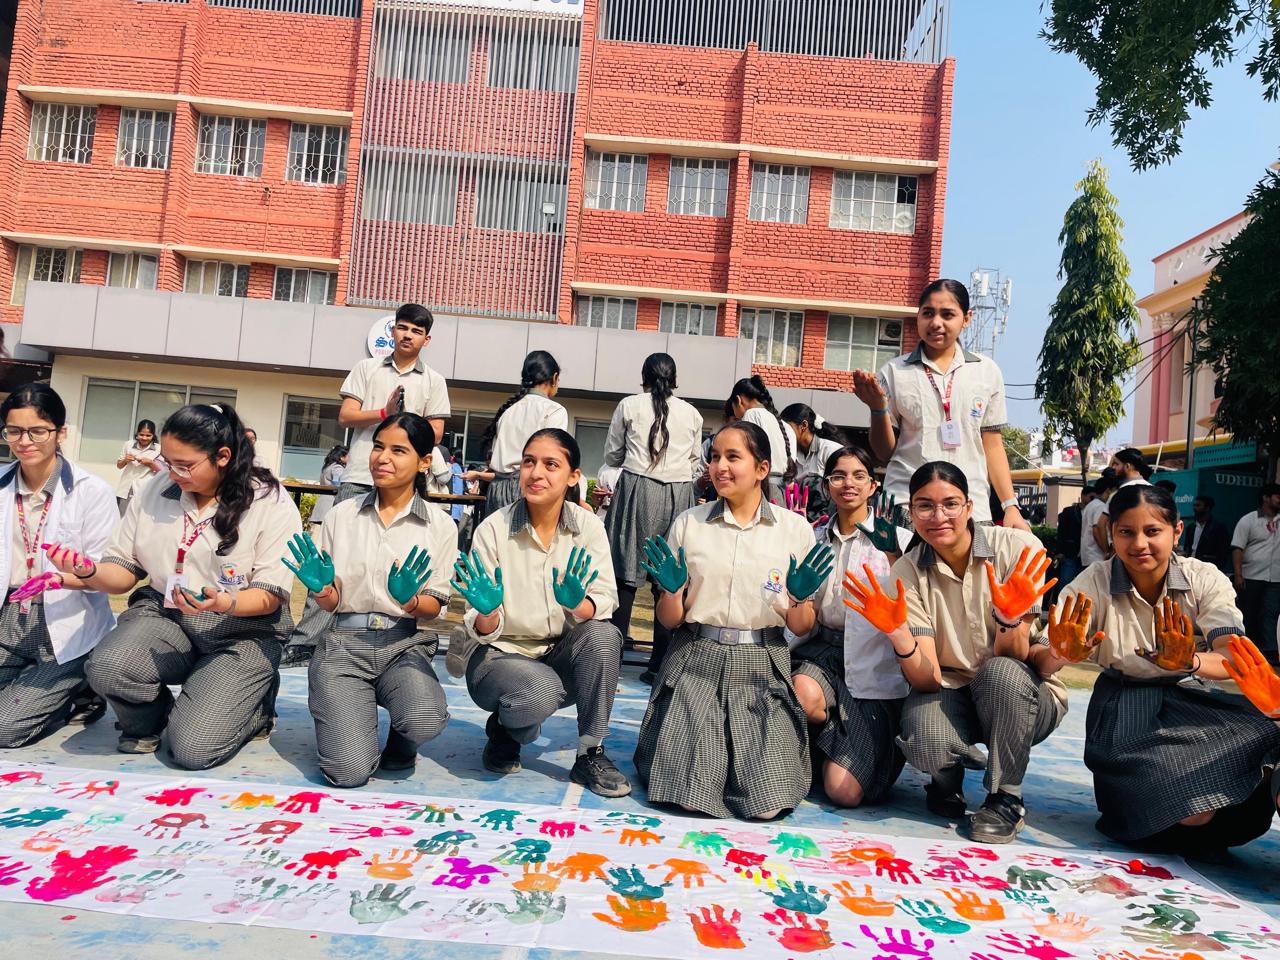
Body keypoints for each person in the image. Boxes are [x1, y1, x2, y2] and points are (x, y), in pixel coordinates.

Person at [49, 403, 302, 767]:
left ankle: (253, 707)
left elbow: (269, 596)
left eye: (185, 465)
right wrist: (87, 571)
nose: (173, 473)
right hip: (167, 615)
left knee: (194, 749)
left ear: (223, 457)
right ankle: (150, 722)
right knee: (108, 666)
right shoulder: (155, 489)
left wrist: (224, 603)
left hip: (241, 630)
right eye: (167, 462)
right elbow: (123, 572)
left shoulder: (268, 502)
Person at [1045, 483, 1280, 855]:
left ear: (1177, 530)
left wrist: (1191, 661)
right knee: (1185, 808)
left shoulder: (1204, 577)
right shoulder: (1093, 582)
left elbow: (1233, 655)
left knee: (1269, 733)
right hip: (1124, 703)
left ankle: (1239, 803)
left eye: (1152, 531)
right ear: (1111, 533)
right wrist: (1061, 653)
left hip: (1191, 699)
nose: (1139, 544)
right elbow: (1045, 655)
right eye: (1126, 532)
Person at [634, 420, 835, 820]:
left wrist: (798, 598)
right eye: (713, 457)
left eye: (732, 457)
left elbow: (800, 626)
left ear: (762, 468)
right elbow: (670, 620)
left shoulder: (793, 529)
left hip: (762, 662)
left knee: (767, 800)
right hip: (696, 659)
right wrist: (671, 592)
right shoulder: (689, 523)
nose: (719, 467)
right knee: (689, 793)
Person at [876, 461, 1065, 843]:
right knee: (923, 735)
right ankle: (946, 780)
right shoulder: (907, 571)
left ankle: (1006, 797)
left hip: (1019, 690)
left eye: (950, 504)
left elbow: (1016, 656)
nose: (938, 516)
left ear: (969, 506)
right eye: (925, 506)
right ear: (911, 512)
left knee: (1001, 674)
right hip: (950, 687)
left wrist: (1009, 620)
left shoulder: (1018, 549)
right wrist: (899, 637)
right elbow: (928, 679)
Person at [451, 428, 630, 798]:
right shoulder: (494, 529)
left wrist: (576, 604)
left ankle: (590, 752)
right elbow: (480, 625)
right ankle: (506, 728)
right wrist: (487, 610)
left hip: (560, 658)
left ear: (573, 476)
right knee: (540, 690)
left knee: (604, 635)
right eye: (529, 462)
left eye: (551, 465)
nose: (536, 473)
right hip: (500, 656)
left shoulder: (589, 528)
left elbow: (604, 601)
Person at [288, 414, 458, 787]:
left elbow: (434, 607)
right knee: (348, 772)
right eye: (378, 447)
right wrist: (321, 589)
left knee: (424, 718)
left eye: (398, 450)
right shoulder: (342, 516)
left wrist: (410, 601)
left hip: (403, 644)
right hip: (344, 645)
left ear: (424, 462)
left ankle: (403, 737)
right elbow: (332, 602)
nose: (382, 457)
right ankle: (347, 719)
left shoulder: (441, 526)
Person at [852, 279, 1028, 530]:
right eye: (928, 313)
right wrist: (877, 409)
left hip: (970, 506)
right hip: (907, 505)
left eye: (947, 314)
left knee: (974, 559)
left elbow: (993, 445)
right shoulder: (894, 372)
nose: (936, 322)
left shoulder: (986, 372)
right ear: (918, 316)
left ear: (966, 319)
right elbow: (884, 453)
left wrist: (1010, 505)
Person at [792, 445, 912, 807]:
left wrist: (893, 555)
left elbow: (914, 602)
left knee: (843, 792)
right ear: (826, 485)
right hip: (823, 652)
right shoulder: (812, 537)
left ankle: (853, 744)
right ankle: (821, 742)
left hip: (874, 663)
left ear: (873, 486)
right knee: (801, 694)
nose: (849, 484)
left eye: (859, 476)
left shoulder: (899, 540)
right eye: (839, 476)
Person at [0, 385, 116, 747]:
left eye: (37, 431)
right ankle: (37, 685)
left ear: (60, 433)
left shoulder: (91, 491)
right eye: (14, 431)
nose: (24, 442)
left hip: (64, 621)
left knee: (4, 728)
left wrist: (68, 575)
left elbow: (108, 575)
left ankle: (79, 687)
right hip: (7, 615)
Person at [603, 353, 703, 684]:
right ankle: (659, 664)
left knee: (624, 574)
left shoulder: (629, 406)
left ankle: (611, 662)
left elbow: (612, 456)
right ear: (674, 379)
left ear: (643, 377)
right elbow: (695, 462)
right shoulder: (692, 413)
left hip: (635, 488)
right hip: (678, 493)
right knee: (669, 578)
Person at [336, 304, 451, 504]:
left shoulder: (435, 380)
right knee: (344, 524)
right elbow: (346, 416)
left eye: (416, 331)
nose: (408, 335)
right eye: (402, 328)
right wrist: (384, 413)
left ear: (426, 340)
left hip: (406, 479)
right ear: (393, 330)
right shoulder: (366, 368)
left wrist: (404, 422)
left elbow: (437, 433)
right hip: (360, 476)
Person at [467, 350, 567, 514]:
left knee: (496, 531)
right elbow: (551, 457)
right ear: (554, 378)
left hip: (497, 489)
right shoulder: (554, 410)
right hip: (529, 486)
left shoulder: (508, 411)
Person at [1231, 482, 1280, 663]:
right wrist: (1238, 575)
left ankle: (1269, 652)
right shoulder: (1249, 520)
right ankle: (1246, 651)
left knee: (1271, 614)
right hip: (1251, 576)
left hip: (1276, 578)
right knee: (1248, 614)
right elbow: (1237, 548)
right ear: (1266, 498)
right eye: (1278, 497)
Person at [780, 403, 846, 485]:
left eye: (786, 428)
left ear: (804, 425)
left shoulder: (830, 450)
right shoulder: (789, 452)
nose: (783, 432)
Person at [114, 419, 162, 515]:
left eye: (148, 435)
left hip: (144, 489)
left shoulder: (159, 449)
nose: (144, 438)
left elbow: (162, 472)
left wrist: (151, 463)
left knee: (140, 517)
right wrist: (125, 460)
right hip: (126, 488)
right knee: (121, 517)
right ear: (137, 434)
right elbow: (119, 466)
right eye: (141, 434)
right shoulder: (128, 444)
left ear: (153, 436)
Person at [1055, 485, 1093, 590]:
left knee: (1082, 584)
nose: (1092, 500)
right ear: (1083, 496)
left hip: (1086, 553)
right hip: (1070, 551)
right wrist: (1060, 551)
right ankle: (1062, 599)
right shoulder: (1069, 511)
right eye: (1090, 497)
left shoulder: (1093, 511)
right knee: (1066, 581)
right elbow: (1061, 531)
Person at [1182, 494, 1231, 571]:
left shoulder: (1218, 528)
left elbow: (1223, 552)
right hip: (1190, 567)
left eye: (1198, 505)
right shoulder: (1190, 528)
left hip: (1207, 569)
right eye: (1194, 505)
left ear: (1207, 508)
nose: (1194, 508)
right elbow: (1187, 548)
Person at [1080, 471, 1118, 568]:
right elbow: (1096, 529)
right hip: (1097, 556)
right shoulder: (1100, 507)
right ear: (1108, 490)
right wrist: (1106, 551)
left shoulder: (1091, 505)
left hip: (1088, 555)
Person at [308, 444, 349, 528]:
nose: (350, 458)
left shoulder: (328, 466)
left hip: (322, 503)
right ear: (342, 457)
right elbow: (337, 482)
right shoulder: (337, 468)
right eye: (348, 456)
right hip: (330, 504)